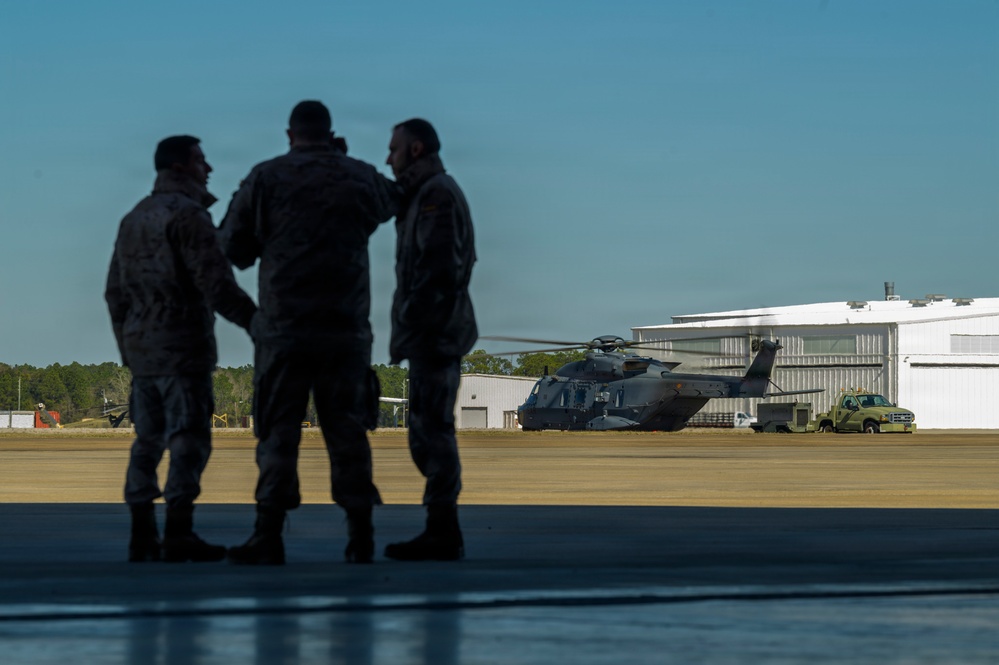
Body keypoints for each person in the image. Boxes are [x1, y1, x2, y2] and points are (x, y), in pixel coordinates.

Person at [220, 100, 398, 565]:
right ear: (330, 133)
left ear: (289, 134)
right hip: (345, 332)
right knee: (348, 433)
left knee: (278, 434)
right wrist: (342, 163)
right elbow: (393, 200)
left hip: (284, 332)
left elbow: (231, 248)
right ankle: (361, 535)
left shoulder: (265, 178)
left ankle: (269, 534)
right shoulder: (357, 175)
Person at [105, 135, 257, 563]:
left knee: (147, 441)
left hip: (143, 356)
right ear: (179, 167)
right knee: (189, 440)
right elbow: (217, 284)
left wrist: (128, 349)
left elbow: (114, 293)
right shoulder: (189, 217)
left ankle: (141, 534)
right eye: (200, 162)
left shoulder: (133, 218)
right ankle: (178, 531)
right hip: (183, 350)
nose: (207, 169)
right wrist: (259, 324)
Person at [384, 119, 477, 561]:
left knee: (432, 432)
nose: (389, 158)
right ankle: (442, 526)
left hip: (435, 333)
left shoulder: (436, 195)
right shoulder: (425, 194)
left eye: (394, 149)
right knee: (426, 429)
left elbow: (438, 269)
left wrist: (411, 322)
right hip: (431, 331)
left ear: (416, 149)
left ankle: (443, 529)